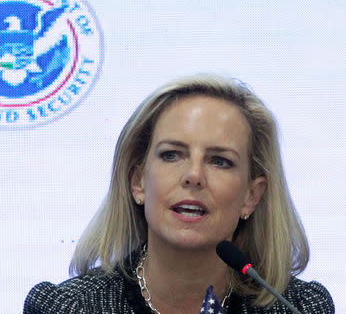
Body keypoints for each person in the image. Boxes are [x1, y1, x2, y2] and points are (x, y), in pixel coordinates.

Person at [24, 74, 334, 313]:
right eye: (172, 155)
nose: (194, 176)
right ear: (138, 182)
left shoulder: (299, 308)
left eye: (220, 161)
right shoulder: (70, 307)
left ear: (251, 196)